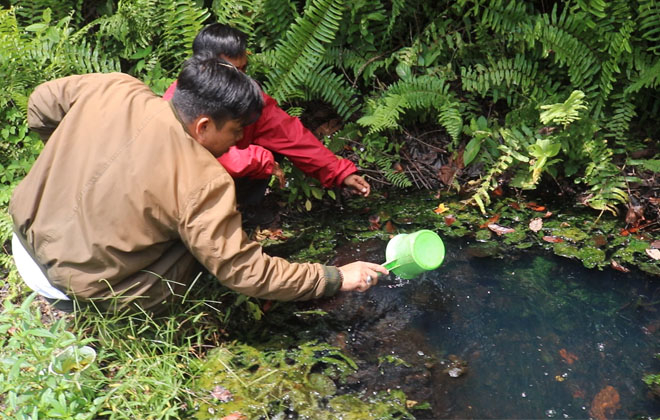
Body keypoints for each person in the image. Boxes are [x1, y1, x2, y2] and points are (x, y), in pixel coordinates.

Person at [9, 56, 387, 315]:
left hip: (24, 240)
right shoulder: (204, 180)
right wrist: (336, 277)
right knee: (202, 253)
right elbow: (246, 273)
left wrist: (68, 152)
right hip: (77, 287)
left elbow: (40, 104)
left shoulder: (115, 87)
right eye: (236, 132)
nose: (239, 143)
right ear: (203, 126)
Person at [162, 23, 371, 212]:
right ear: (208, 67)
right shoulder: (179, 101)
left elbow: (290, 135)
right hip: (180, 197)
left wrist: (340, 173)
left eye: (245, 69)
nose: (242, 77)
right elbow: (187, 158)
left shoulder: (250, 101)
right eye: (235, 70)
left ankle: (240, 212)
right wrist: (258, 159)